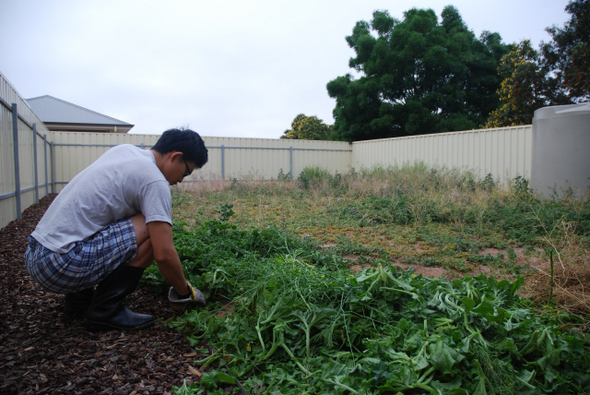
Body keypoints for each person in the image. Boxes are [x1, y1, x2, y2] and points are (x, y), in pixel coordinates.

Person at [24, 128, 208, 331]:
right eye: (186, 172)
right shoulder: (155, 181)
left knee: (109, 216)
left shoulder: (124, 151)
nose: (182, 180)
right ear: (176, 156)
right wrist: (185, 292)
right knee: (151, 227)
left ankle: (80, 299)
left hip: (36, 252)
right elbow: (163, 254)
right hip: (59, 264)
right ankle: (105, 311)